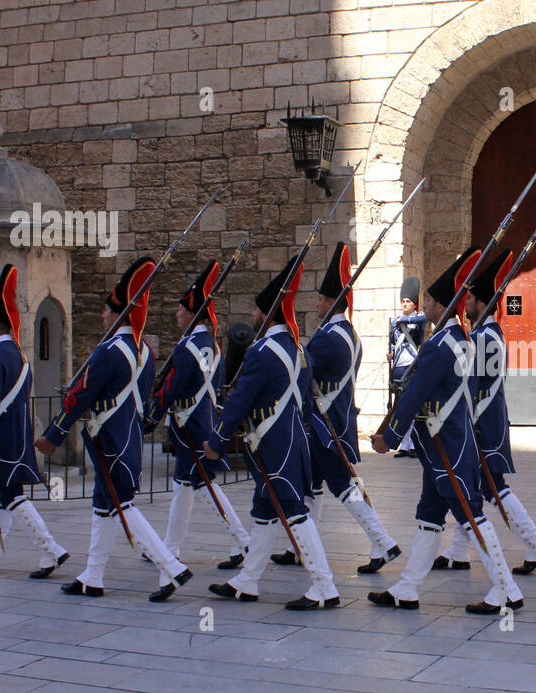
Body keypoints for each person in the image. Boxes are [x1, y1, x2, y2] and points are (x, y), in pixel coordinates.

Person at [368, 246, 525, 615]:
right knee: (429, 515)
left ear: (439, 306)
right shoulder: (461, 339)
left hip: (446, 444)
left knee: (471, 514)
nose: (428, 308)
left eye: (431, 303)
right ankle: (407, 588)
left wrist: (389, 438)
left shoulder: (440, 344)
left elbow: (415, 394)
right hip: (446, 444)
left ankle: (506, 589)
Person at [36, 257, 193, 602]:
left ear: (116, 313)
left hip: (109, 442)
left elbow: (80, 397)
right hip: (129, 441)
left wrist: (53, 434)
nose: (103, 317)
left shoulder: (107, 352)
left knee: (122, 505)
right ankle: (93, 576)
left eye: (107, 311)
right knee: (104, 506)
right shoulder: (145, 353)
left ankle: (171, 566)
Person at [204, 259, 339, 610]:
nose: (251, 314)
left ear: (267, 314)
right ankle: (246, 582)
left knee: (295, 511)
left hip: (273, 445)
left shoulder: (261, 353)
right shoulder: (299, 351)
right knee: (264, 510)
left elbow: (238, 403)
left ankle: (325, 587)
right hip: (293, 440)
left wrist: (217, 441)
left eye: (255, 309)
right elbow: (306, 402)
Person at [436, 248, 536, 576]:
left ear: (482, 302)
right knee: (473, 488)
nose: (466, 303)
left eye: (471, 298)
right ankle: (458, 552)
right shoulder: (488, 334)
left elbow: (474, 386)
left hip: (482, 423)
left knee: (494, 488)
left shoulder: (484, 337)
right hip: (484, 421)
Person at [0, 264, 68, 579]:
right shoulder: (19, 356)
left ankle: (52, 550)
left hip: (1, 442)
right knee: (2, 497)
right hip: (17, 437)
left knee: (12, 497)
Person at [143, 261, 250, 571]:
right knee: (184, 484)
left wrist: (153, 414)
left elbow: (173, 387)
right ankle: (170, 547)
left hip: (190, 426)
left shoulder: (188, 346)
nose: (177, 315)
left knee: (204, 485)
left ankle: (241, 541)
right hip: (201, 421)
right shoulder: (211, 346)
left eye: (180, 310)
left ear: (192, 314)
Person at [305, 241, 401, 574]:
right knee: (311, 485)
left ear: (331, 302)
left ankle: (384, 542)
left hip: (324, 424)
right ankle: (301, 544)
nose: (316, 304)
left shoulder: (325, 338)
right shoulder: (351, 335)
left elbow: (305, 376)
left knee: (343, 487)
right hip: (338, 419)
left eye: (319, 299)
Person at [388, 276, 426, 457]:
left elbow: (423, 319)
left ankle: (412, 444)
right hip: (399, 367)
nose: (404, 304)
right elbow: (393, 343)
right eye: (402, 301)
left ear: (414, 304)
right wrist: (390, 352)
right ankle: (403, 444)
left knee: (413, 405)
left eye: (408, 301)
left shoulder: (418, 319)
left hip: (412, 366)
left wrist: (402, 322)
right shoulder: (395, 322)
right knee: (401, 405)